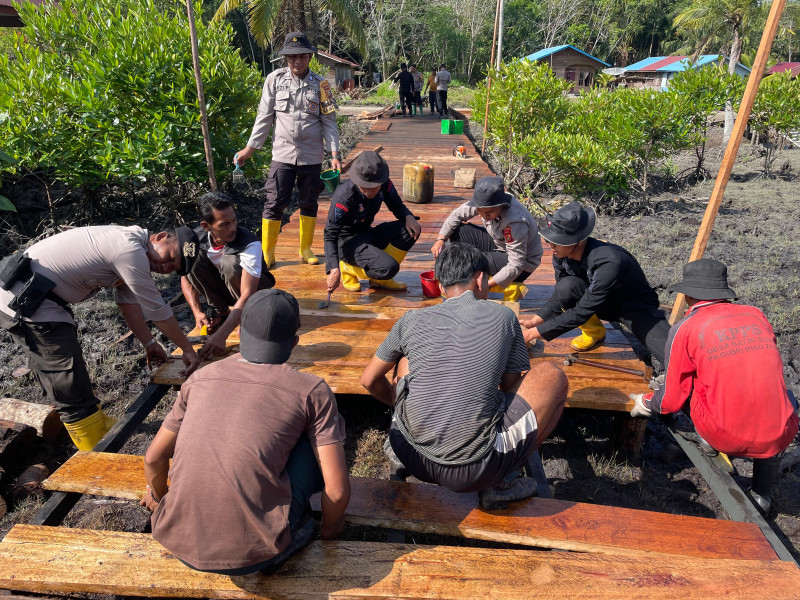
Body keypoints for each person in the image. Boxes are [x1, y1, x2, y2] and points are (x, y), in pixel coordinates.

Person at [142, 289, 350, 575]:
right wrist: (330, 534)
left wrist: (160, 497)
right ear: (295, 343)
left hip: (175, 540)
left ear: (239, 335)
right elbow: (337, 492)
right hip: (254, 556)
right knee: (315, 445)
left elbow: (153, 458)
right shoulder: (311, 391)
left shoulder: (199, 379)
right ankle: (293, 533)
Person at [361, 243, 568, 509]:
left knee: (405, 359)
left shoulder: (410, 319)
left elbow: (368, 379)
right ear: (480, 278)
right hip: (473, 472)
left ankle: (408, 428)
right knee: (552, 375)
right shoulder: (504, 316)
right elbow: (510, 388)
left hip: (408, 451)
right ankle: (501, 481)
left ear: (441, 286)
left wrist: (402, 406)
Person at [0, 225, 201, 450]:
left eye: (172, 268)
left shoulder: (130, 247)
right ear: (162, 237)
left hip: (40, 300)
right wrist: (187, 349)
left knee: (72, 368)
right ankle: (92, 448)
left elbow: (129, 303)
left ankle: (99, 424)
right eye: (170, 257)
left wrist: (150, 343)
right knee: (66, 379)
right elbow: (157, 309)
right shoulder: (128, 250)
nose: (165, 267)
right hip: (24, 302)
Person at [629, 259, 799, 513]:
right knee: (783, 396)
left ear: (687, 296)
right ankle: (762, 495)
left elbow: (670, 400)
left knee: (684, 386)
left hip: (725, 435)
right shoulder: (756, 315)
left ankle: (704, 437)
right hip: (782, 431)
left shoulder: (685, 328)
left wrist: (645, 402)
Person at [234, 32, 341, 269]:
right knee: (274, 203)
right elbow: (264, 118)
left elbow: (330, 122)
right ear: (285, 58)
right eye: (292, 57)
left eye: (302, 55)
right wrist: (249, 149)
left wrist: (334, 155)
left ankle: (305, 248)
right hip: (282, 155)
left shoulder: (323, 85)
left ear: (310, 57)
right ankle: (267, 253)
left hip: (311, 157)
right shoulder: (274, 80)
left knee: (309, 202)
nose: (297, 61)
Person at [521, 202, 671, 363]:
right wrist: (535, 321)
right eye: (549, 240)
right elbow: (561, 295)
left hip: (634, 308)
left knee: (673, 355)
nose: (550, 246)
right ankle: (594, 332)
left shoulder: (609, 261)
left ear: (578, 241)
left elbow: (582, 311)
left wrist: (531, 334)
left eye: (557, 241)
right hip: (599, 302)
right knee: (566, 287)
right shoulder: (561, 253)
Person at [181, 192, 276, 359]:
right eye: (224, 224)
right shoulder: (194, 239)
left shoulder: (248, 242)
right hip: (225, 285)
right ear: (206, 226)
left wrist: (222, 335)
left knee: (229, 263)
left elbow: (248, 295)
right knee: (193, 260)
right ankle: (221, 312)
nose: (232, 228)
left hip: (254, 290)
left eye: (234, 221)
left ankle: (248, 317)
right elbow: (184, 275)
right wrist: (197, 311)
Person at [432, 176, 542, 302]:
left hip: (521, 262)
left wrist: (484, 287)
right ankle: (467, 277)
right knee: (457, 230)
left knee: (472, 262)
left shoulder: (515, 222)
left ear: (501, 205)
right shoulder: (484, 203)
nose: (484, 215)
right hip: (500, 243)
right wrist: (440, 239)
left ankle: (466, 283)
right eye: (480, 211)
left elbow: (516, 264)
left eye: (489, 212)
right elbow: (457, 214)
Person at [324, 151, 421, 293]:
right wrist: (333, 268)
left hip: (367, 233)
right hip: (347, 242)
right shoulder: (344, 196)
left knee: (411, 230)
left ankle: (379, 278)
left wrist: (408, 216)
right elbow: (330, 235)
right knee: (389, 268)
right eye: (365, 187)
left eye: (374, 187)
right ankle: (349, 269)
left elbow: (396, 204)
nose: (370, 191)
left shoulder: (384, 183)